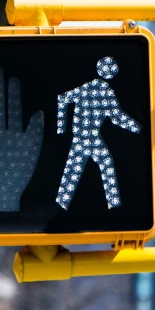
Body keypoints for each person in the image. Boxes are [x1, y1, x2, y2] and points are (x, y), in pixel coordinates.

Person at [55, 56, 140, 209]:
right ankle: (113, 207)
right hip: (87, 137)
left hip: (85, 136)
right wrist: (135, 127)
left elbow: (62, 99)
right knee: (103, 165)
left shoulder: (90, 88)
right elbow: (117, 118)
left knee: (76, 170)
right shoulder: (103, 91)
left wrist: (62, 128)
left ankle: (62, 204)